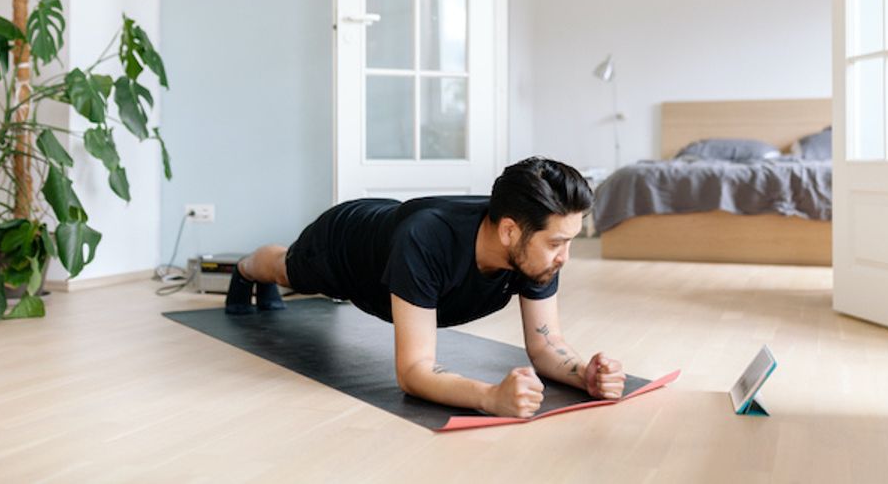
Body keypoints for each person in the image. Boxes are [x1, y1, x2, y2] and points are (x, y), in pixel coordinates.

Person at [226, 157, 627, 418]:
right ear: (508, 231)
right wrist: (491, 397)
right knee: (285, 270)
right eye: (558, 244)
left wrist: (583, 375)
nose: (565, 258)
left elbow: (545, 344)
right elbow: (413, 372)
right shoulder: (427, 240)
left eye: (570, 241)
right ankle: (244, 268)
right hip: (342, 243)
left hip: (392, 227)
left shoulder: (533, 244)